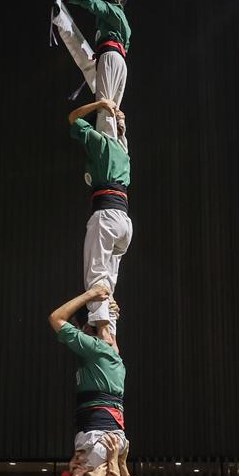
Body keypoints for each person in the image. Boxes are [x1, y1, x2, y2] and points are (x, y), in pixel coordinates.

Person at [67, 97, 131, 336]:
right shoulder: (122, 150)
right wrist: (120, 122)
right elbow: (122, 136)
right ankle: (110, 332)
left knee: (95, 277)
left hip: (107, 216)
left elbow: (73, 118)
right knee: (108, 282)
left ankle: (104, 335)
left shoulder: (101, 143)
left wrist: (99, 104)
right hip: (124, 222)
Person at [49, 283, 126, 468]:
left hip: (98, 435)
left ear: (84, 327)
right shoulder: (112, 353)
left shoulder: (95, 348)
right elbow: (108, 335)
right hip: (111, 435)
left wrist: (90, 294)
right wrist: (109, 310)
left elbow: (55, 318)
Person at [53, 0, 130, 138]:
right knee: (114, 108)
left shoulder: (110, 10)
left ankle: (105, 151)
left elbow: (93, 3)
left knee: (104, 106)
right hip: (121, 63)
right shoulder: (124, 23)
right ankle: (121, 145)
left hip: (109, 56)